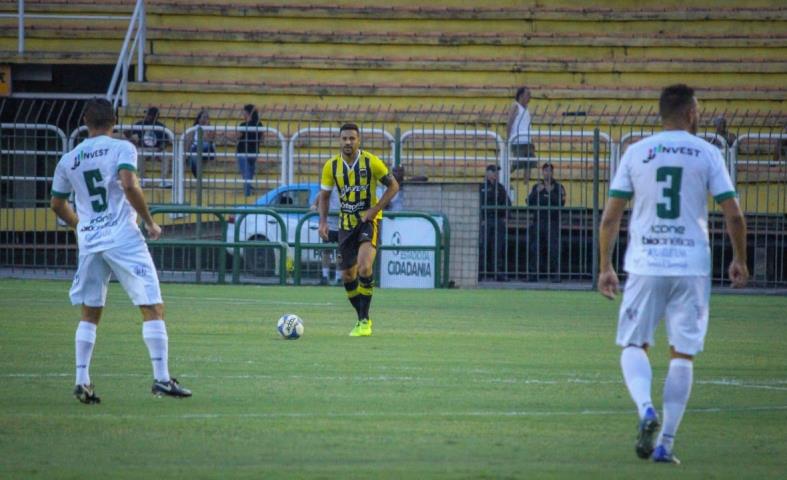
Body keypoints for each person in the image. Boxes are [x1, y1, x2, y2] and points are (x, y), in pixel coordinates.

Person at [598, 84, 748, 464]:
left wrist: (605, 266)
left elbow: (610, 217)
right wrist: (740, 259)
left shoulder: (636, 152)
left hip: (646, 263)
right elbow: (734, 215)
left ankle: (646, 408)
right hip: (692, 266)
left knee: (634, 344)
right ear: (692, 113)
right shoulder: (708, 153)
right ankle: (665, 442)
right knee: (682, 354)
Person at [50, 98, 192, 404]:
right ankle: (162, 379)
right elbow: (129, 184)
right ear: (114, 121)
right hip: (122, 237)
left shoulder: (69, 159)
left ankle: (81, 380)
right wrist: (150, 222)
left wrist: (79, 225)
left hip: (90, 241)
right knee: (152, 306)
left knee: (90, 312)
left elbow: (57, 204)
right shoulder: (123, 148)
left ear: (85, 121)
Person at [317, 123, 400, 336]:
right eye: (344, 138)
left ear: (359, 140)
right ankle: (362, 318)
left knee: (364, 267)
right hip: (345, 225)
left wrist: (374, 210)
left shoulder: (371, 162)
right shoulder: (331, 167)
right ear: (339, 140)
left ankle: (364, 322)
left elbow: (394, 186)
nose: (348, 142)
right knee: (347, 275)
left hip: (368, 221)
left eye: (352, 138)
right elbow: (324, 197)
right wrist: (323, 222)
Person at [527, 162, 566, 282]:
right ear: (542, 172)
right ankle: (533, 275)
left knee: (553, 249)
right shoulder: (536, 186)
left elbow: (561, 203)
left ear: (552, 172)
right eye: (545, 170)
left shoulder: (558, 187)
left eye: (549, 171)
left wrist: (550, 192)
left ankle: (556, 275)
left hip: (552, 222)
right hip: (538, 221)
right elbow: (529, 202)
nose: (547, 173)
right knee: (535, 248)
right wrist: (536, 192)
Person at [479, 164, 511, 281]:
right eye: (493, 171)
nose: (496, 174)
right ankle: (480, 272)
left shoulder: (500, 188)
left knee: (498, 248)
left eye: (497, 172)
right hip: (485, 220)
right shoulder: (481, 187)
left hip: (497, 220)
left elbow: (507, 203)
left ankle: (498, 273)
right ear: (487, 173)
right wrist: (481, 219)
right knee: (483, 247)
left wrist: (506, 217)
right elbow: (478, 204)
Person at [128, 106, 171, 187]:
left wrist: (159, 150)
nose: (148, 116)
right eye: (147, 114)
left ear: (156, 116)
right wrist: (134, 142)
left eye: (150, 115)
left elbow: (166, 141)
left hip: (157, 149)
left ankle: (163, 180)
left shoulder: (161, 126)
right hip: (143, 148)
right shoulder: (140, 124)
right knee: (139, 153)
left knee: (166, 155)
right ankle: (142, 179)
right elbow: (128, 133)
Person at [311, 188, 342, 285]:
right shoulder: (331, 186)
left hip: (343, 225)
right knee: (326, 251)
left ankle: (338, 278)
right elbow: (321, 194)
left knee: (340, 253)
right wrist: (315, 205)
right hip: (329, 225)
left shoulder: (347, 185)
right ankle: (325, 276)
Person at [506, 86, 537, 176]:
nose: (529, 97)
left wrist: (532, 140)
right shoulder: (516, 106)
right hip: (518, 141)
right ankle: (504, 175)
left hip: (527, 141)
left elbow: (527, 125)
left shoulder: (526, 109)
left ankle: (525, 185)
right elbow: (509, 123)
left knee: (529, 164)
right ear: (521, 96)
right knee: (517, 164)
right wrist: (508, 139)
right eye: (527, 95)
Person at [236, 104, 262, 197]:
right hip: (254, 152)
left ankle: (247, 193)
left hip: (243, 152)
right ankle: (249, 190)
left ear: (247, 113)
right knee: (249, 173)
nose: (242, 114)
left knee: (246, 174)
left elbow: (237, 137)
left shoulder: (243, 125)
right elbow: (262, 138)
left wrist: (225, 135)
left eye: (244, 112)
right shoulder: (259, 124)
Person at [187, 109, 216, 178]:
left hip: (207, 149)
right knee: (192, 155)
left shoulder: (211, 129)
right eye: (203, 117)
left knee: (204, 145)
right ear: (199, 119)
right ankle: (197, 175)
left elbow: (208, 140)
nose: (205, 119)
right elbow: (190, 141)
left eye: (206, 117)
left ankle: (198, 176)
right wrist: (186, 153)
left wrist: (206, 127)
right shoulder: (194, 128)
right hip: (195, 148)